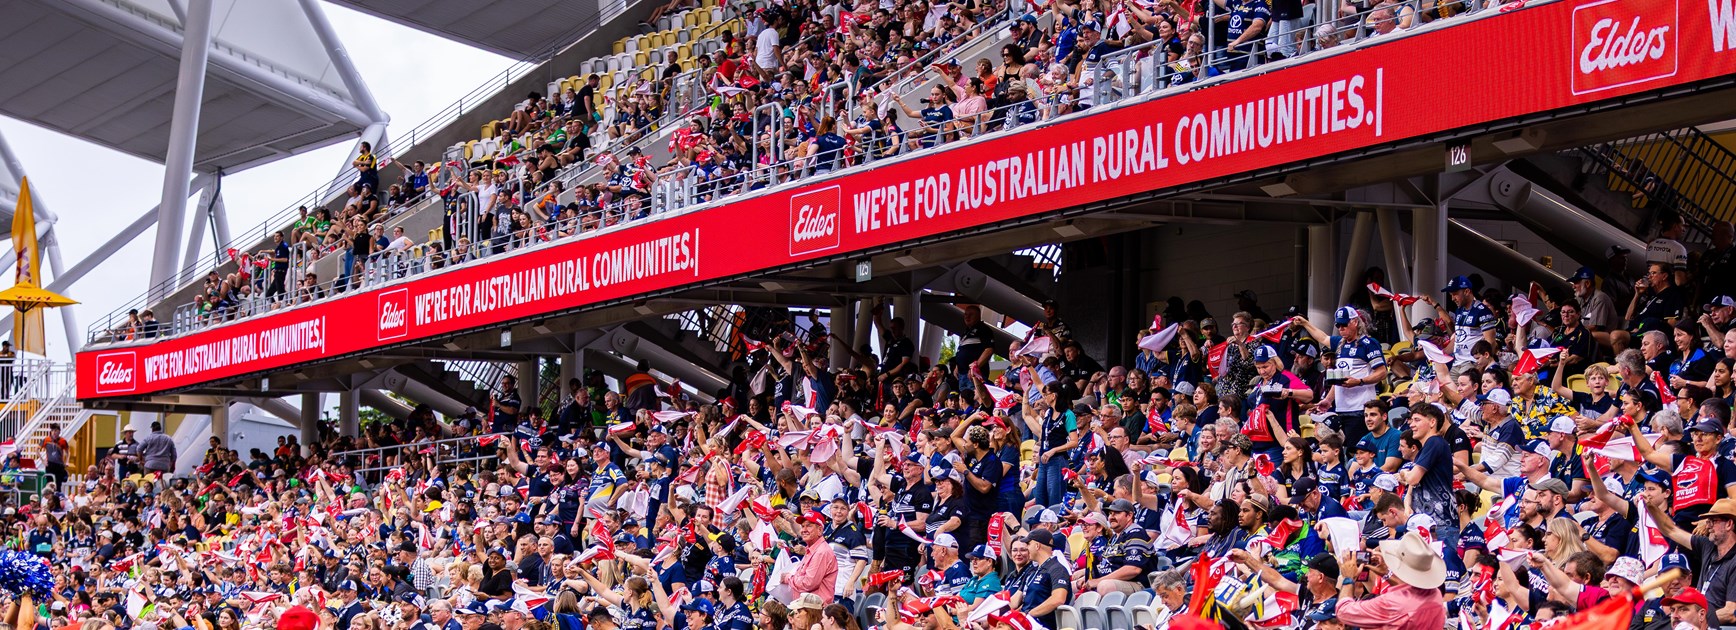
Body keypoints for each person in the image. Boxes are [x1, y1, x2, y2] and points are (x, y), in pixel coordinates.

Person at [1334, 532, 1447, 629]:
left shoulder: (1391, 603)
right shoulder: (1435, 594)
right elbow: (1410, 592)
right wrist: (1387, 574)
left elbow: (1343, 612)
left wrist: (1348, 578)